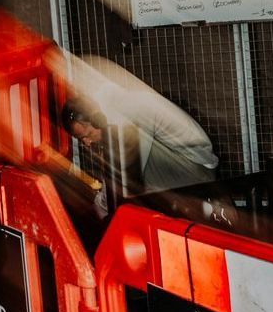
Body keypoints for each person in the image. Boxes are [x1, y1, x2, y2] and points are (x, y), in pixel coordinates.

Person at [59, 52, 218, 205]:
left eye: (86, 135)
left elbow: (125, 175)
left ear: (96, 119)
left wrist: (102, 204)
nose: (87, 143)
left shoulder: (128, 113)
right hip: (188, 166)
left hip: (196, 169)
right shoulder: (118, 109)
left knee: (130, 186)